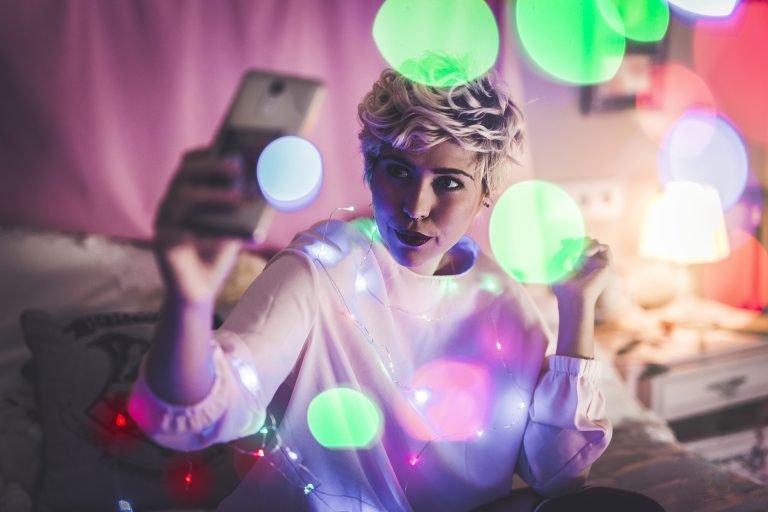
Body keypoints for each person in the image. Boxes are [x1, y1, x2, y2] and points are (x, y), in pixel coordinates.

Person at [127, 59, 657, 511]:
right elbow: (196, 414)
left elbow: (557, 477)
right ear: (369, 169)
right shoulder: (320, 268)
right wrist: (189, 300)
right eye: (398, 171)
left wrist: (576, 309)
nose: (416, 207)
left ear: (487, 192)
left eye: (448, 182)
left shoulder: (499, 298)